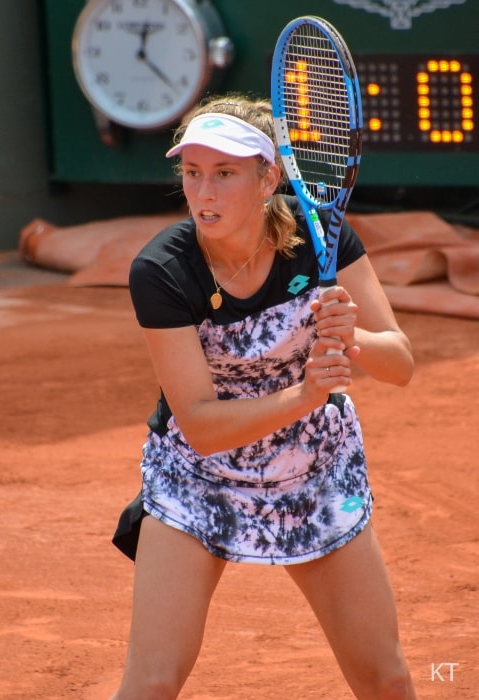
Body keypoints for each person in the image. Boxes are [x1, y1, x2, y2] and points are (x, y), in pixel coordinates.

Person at [110, 94, 417, 700]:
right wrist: (305, 394)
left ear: (268, 177)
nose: (205, 193)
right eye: (192, 174)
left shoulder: (320, 235)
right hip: (198, 480)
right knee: (150, 682)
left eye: (225, 174)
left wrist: (346, 331)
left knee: (385, 678)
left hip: (314, 472)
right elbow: (198, 424)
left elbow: (400, 363)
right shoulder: (163, 271)